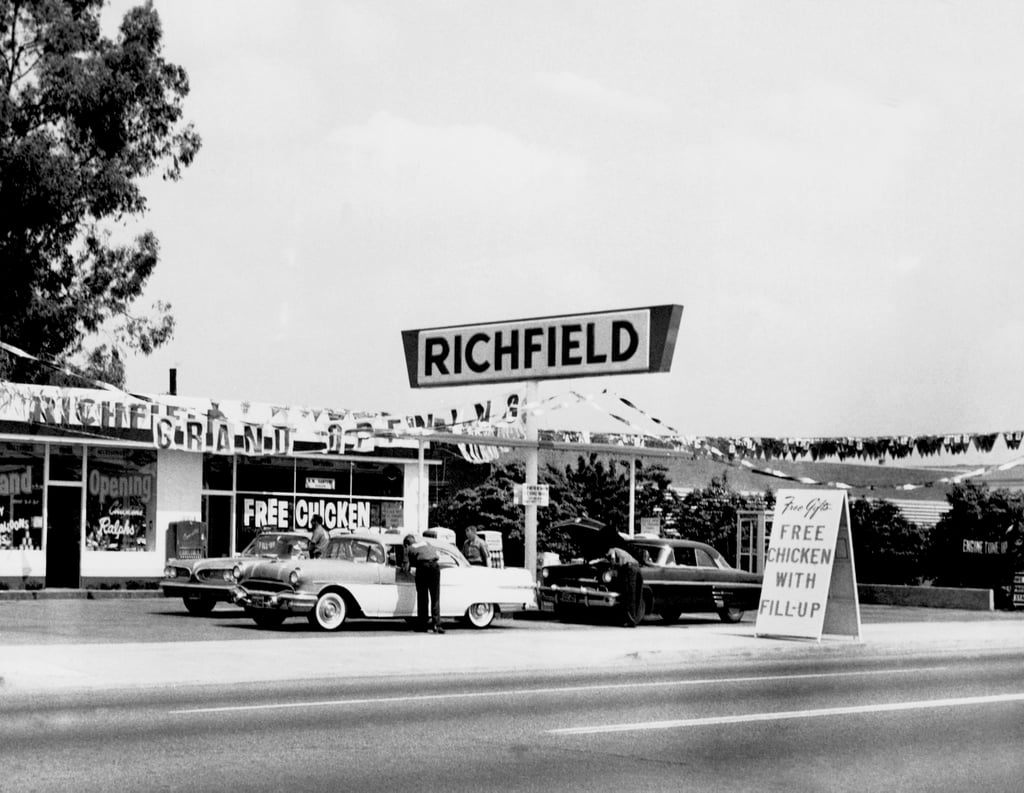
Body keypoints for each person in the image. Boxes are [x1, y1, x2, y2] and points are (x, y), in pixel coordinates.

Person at [402, 533, 444, 633]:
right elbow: (437, 554)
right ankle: (436, 625)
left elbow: (406, 566)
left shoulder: (409, 548)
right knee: (435, 597)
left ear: (406, 544)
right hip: (435, 566)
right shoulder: (426, 543)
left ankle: (423, 625)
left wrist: (406, 567)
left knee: (422, 597)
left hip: (423, 568)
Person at [606, 546, 644, 627]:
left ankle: (631, 621)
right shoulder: (622, 551)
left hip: (630, 568)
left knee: (630, 595)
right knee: (637, 595)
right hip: (637, 567)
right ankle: (636, 619)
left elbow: (613, 561)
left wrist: (612, 570)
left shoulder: (612, 550)